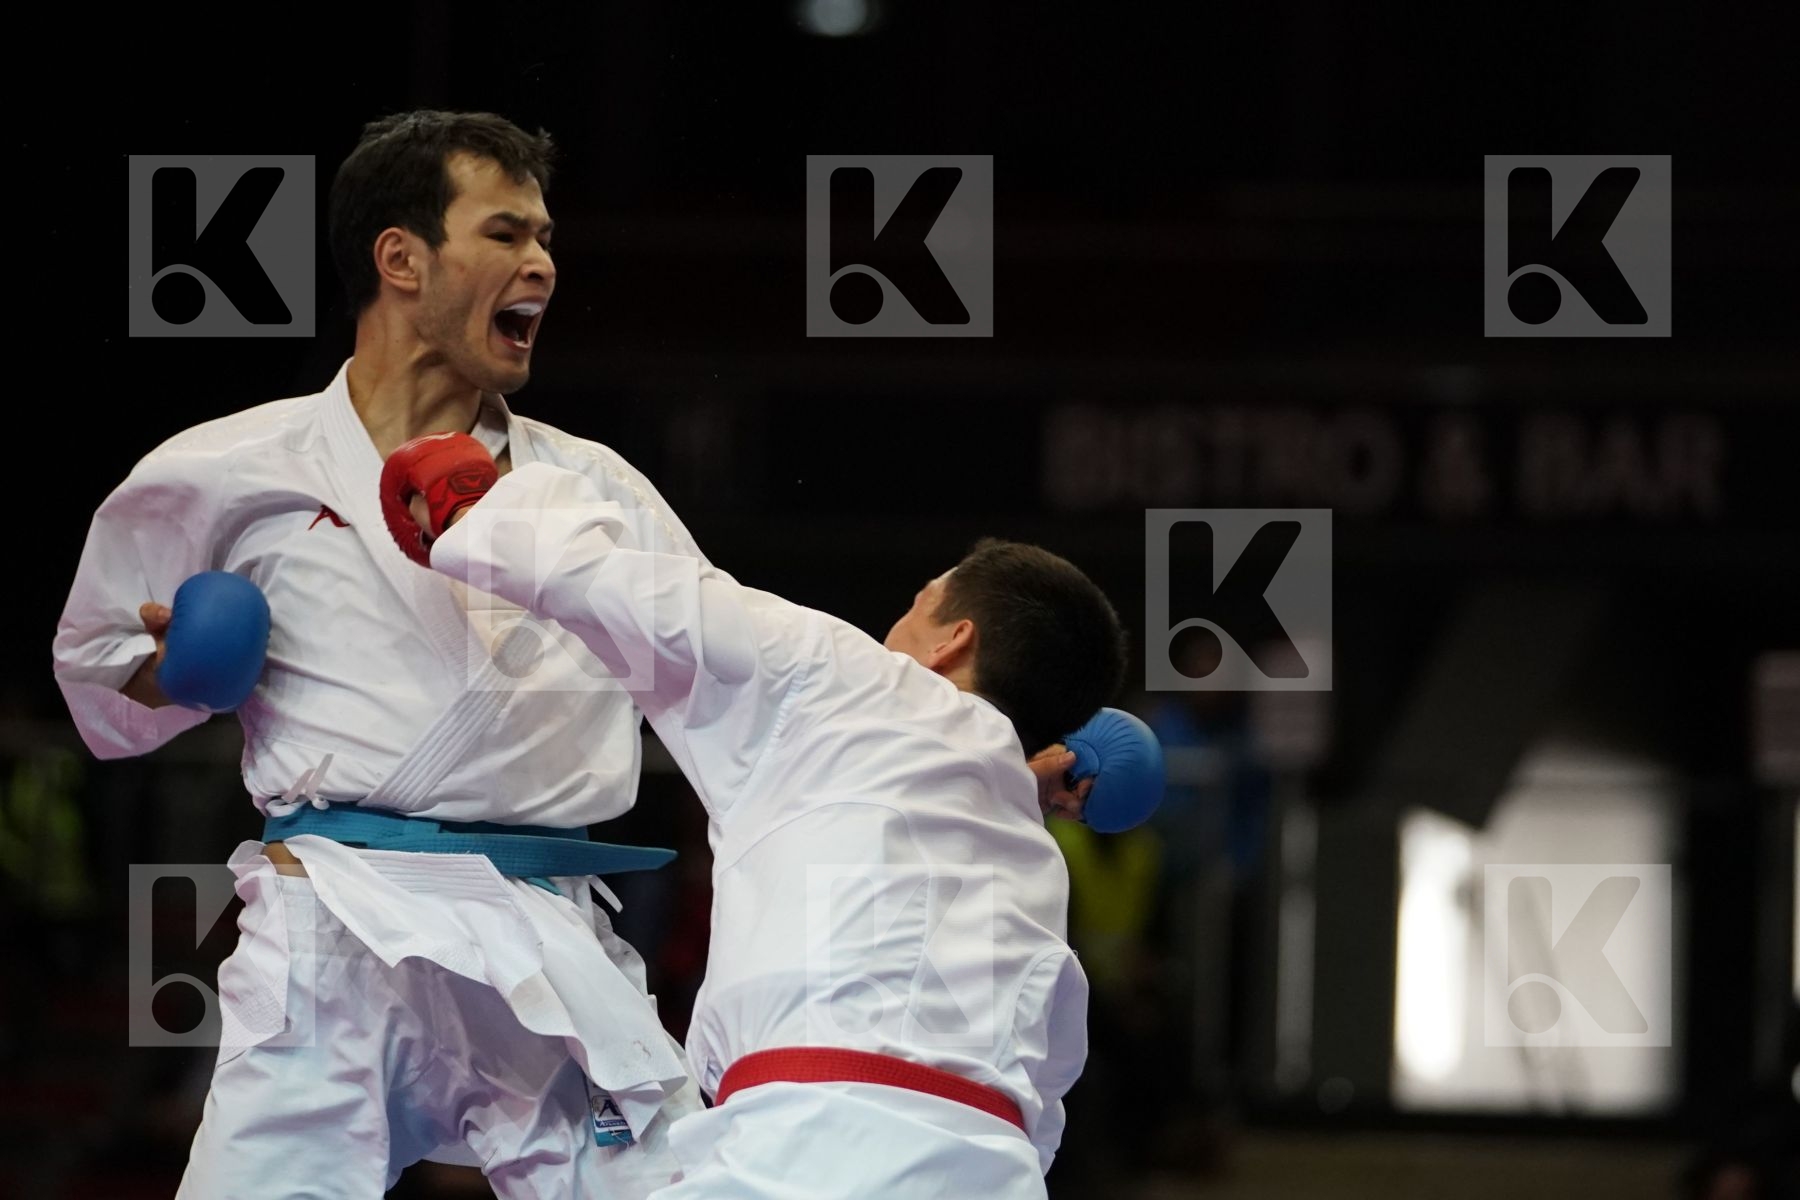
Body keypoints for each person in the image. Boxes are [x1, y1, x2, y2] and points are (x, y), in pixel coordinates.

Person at [53, 110, 707, 1198]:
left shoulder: (597, 492)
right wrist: (178, 672)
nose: (541, 261)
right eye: (505, 233)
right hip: (331, 924)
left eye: (545, 237)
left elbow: (739, 680)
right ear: (400, 257)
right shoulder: (226, 470)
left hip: (545, 928)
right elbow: (95, 675)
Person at [379, 435, 1134, 1198]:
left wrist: (472, 506)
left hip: (807, 1147)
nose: (892, 631)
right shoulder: (1033, 862)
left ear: (952, 640)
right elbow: (1051, 1072)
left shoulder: (845, 676)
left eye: (914, 608)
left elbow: (631, 590)